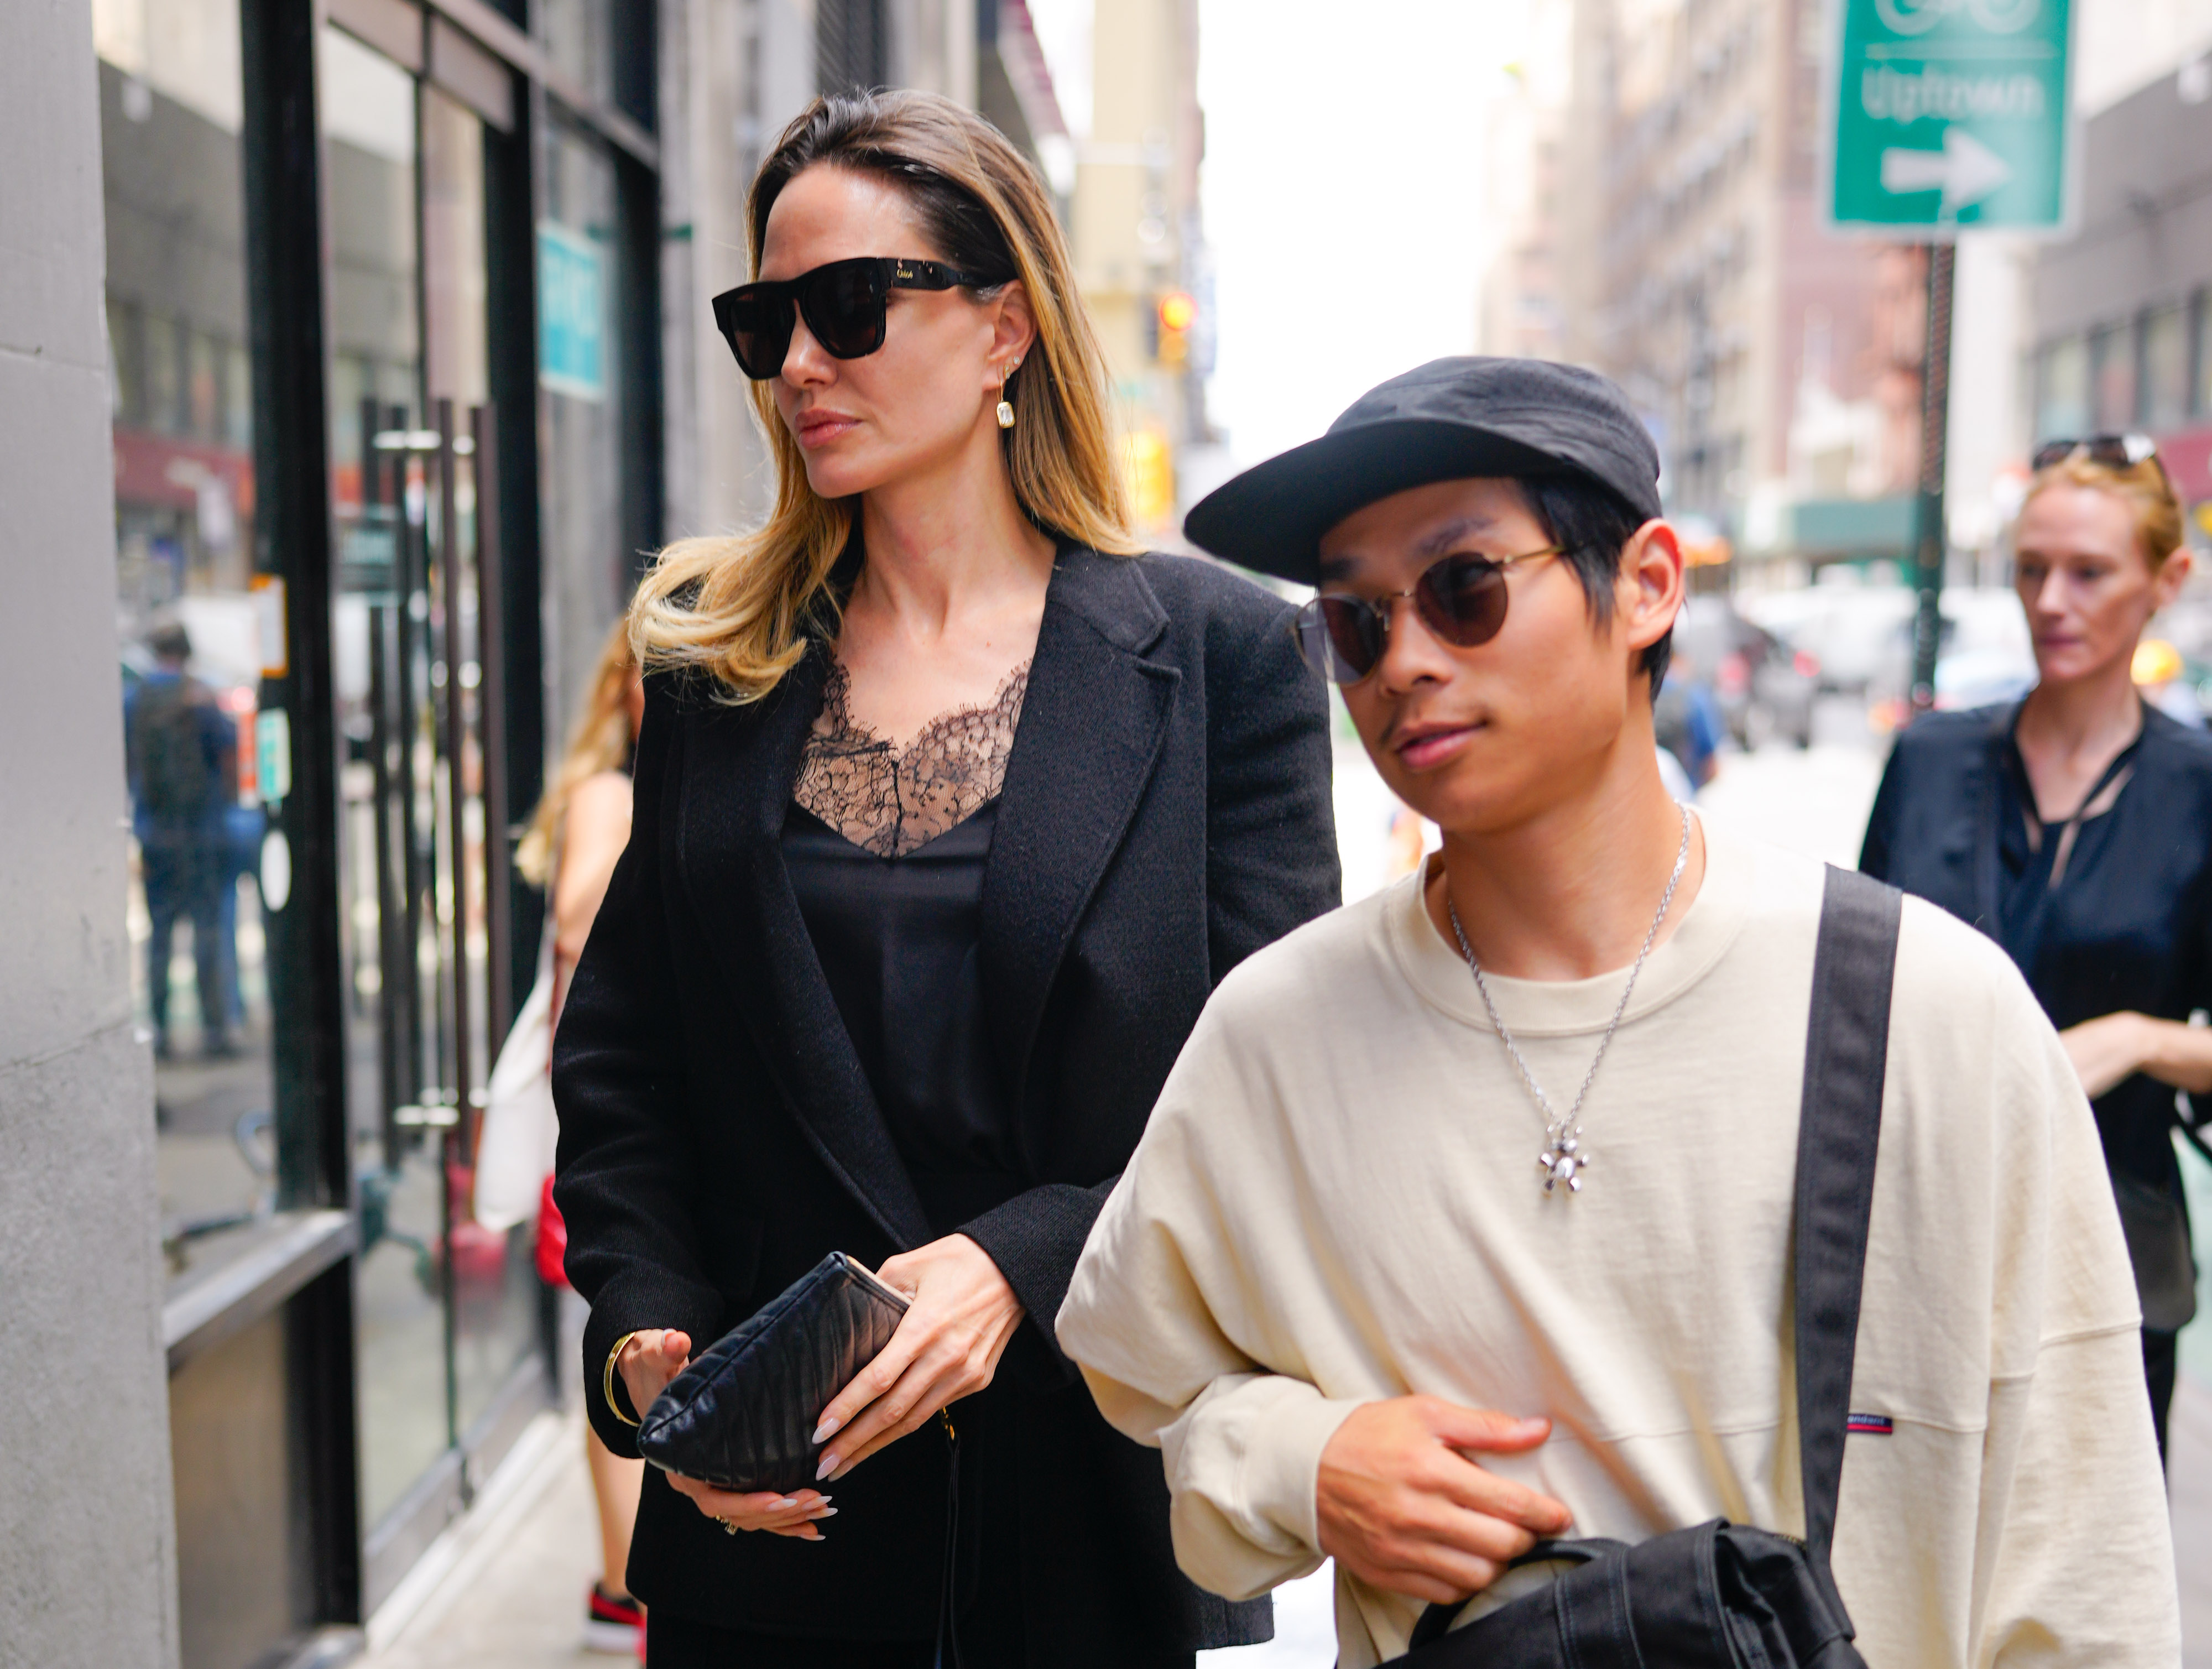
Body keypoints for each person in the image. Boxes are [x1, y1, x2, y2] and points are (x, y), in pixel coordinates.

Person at [1055, 358, 2179, 1668]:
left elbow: (2085, 1577)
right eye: (1353, 622)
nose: (1403, 660)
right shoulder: (1282, 1030)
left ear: (1645, 585)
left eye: (1463, 587)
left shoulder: (1931, 1013)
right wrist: (1309, 1460)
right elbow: (1141, 1369)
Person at [551, 90, 1338, 1669]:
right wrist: (652, 1353)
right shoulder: (712, 669)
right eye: (763, 321)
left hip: (1079, 1517)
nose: (798, 366)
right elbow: (626, 1066)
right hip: (778, 1527)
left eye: (850, 307)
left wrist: (1020, 1259)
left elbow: (1283, 1089)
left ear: (1006, 328)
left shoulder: (1220, 656)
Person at [1861, 433, 2212, 1462]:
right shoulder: (1933, 758)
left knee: (2079, 1603)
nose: (2051, 599)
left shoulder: (2199, 789)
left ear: (2167, 579)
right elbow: (1855, 989)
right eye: (2030, 569)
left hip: (2112, 1269)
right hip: (1917, 1253)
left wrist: (2143, 1038)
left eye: (2089, 572)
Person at [512, 618, 650, 1655]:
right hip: (609, 1122)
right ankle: (625, 1588)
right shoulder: (615, 795)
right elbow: (571, 919)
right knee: (623, 1349)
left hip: (655, 1115)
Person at [127, 619, 238, 1059]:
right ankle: (215, 1030)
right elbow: (228, 757)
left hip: (155, 833)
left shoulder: (136, 701)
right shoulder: (203, 699)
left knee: (160, 937)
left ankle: (160, 1031)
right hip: (203, 831)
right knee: (208, 932)